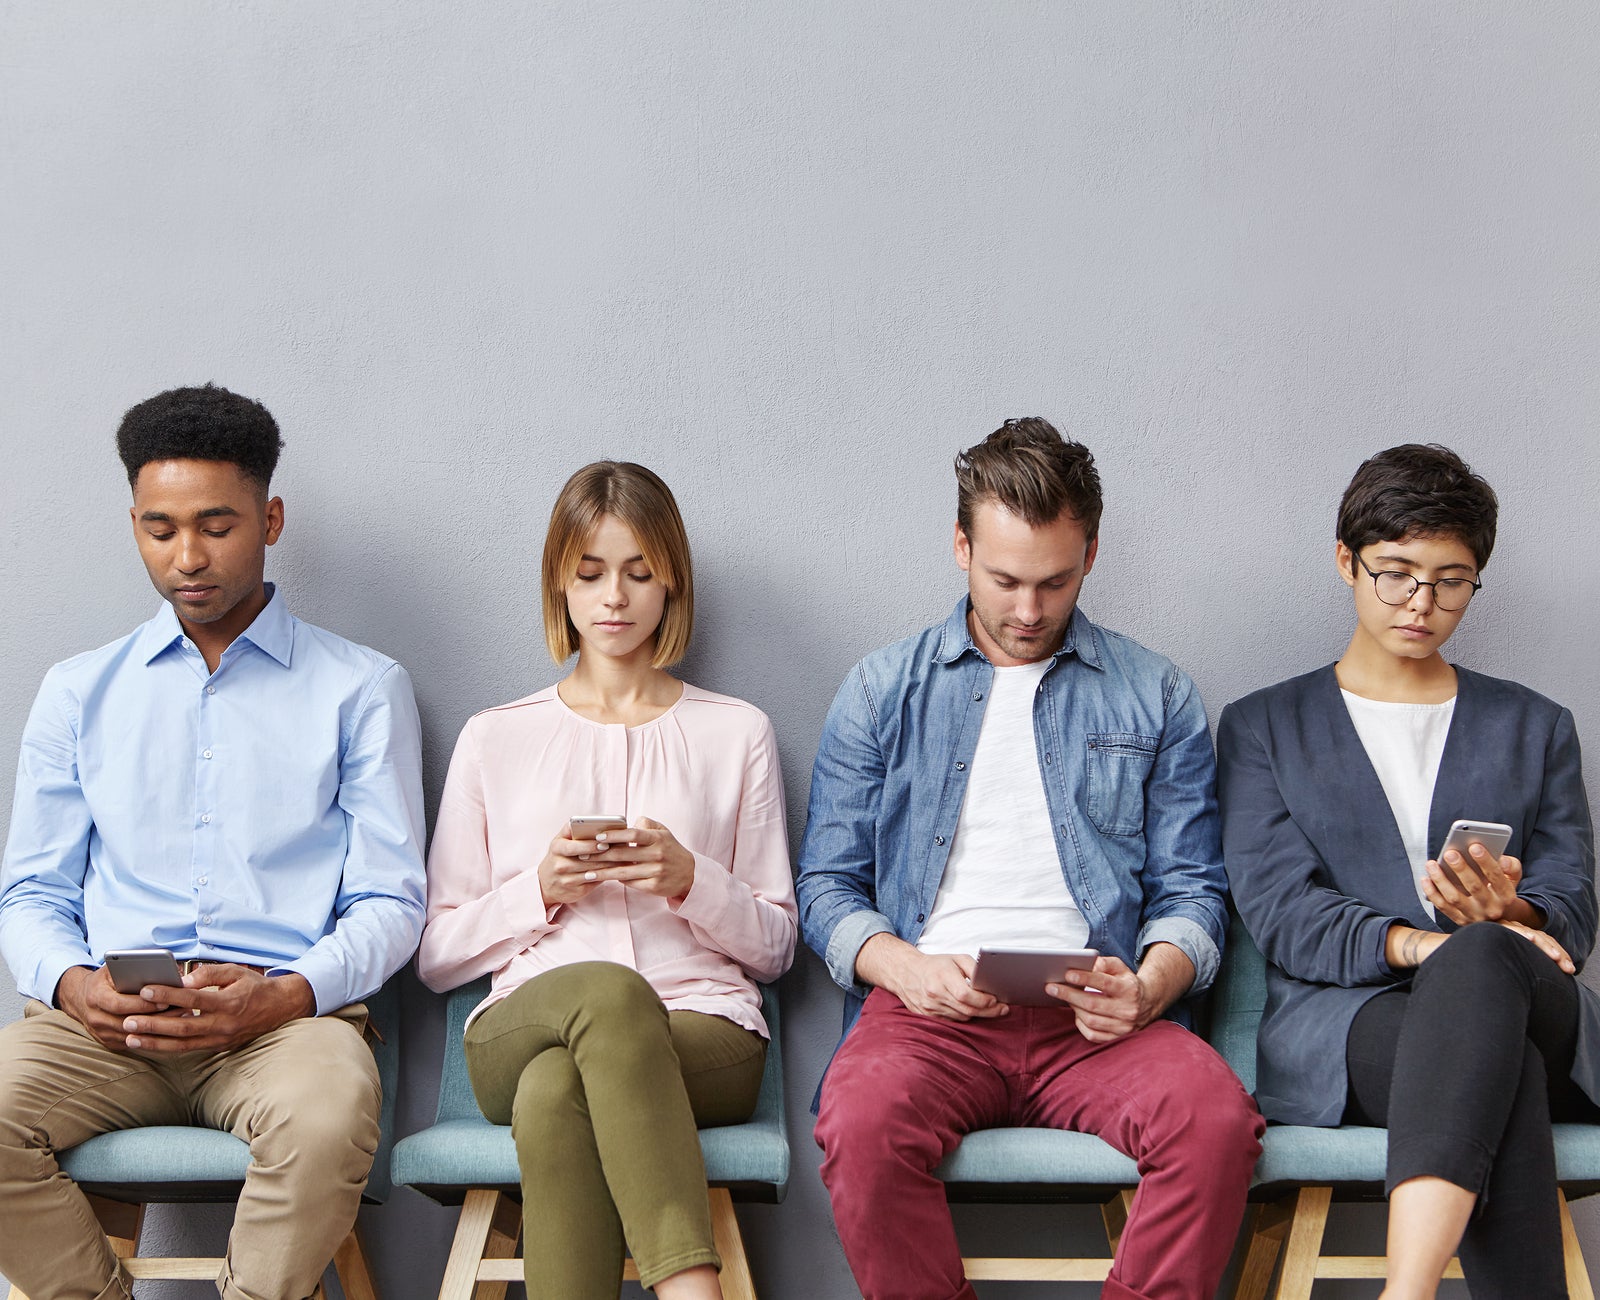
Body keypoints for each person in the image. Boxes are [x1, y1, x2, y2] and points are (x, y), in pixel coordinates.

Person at [798, 417, 1263, 1300]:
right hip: (929, 1017)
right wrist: (906, 969)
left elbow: (1195, 892)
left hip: (1097, 1022)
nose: (1027, 610)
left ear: (1091, 552)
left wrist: (1150, 987)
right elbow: (824, 886)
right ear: (961, 546)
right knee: (858, 1122)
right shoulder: (880, 690)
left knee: (1215, 1123)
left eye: (1054, 582)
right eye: (1003, 579)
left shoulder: (1156, 693)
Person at [0, 384, 427, 1300]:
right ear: (135, 524)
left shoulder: (361, 688)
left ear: (270, 519)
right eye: (160, 529)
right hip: (105, 1024)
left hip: (282, 1024)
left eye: (216, 525)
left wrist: (282, 998)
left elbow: (393, 901)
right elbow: (30, 894)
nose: (186, 558)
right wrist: (75, 987)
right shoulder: (77, 692)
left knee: (327, 1117)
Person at [1217, 443, 1597, 1300]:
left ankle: (1406, 1294)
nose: (1422, 604)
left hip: (1536, 1002)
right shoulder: (1264, 727)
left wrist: (1519, 916)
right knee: (1502, 1062)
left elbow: (1573, 902)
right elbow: (1283, 912)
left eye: (1451, 580)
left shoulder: (1536, 726)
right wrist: (1433, 948)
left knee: (1489, 967)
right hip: (1348, 1026)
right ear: (1346, 561)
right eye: (1395, 574)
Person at [417, 460, 797, 1300]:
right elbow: (438, 955)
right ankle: (691, 1288)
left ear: (672, 584)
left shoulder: (736, 733)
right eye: (590, 574)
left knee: (561, 1089)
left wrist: (691, 880)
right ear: (560, 582)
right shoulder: (495, 738)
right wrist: (539, 889)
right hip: (518, 1031)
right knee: (604, 996)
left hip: (706, 1033)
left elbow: (776, 948)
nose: (614, 598)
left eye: (638, 573)